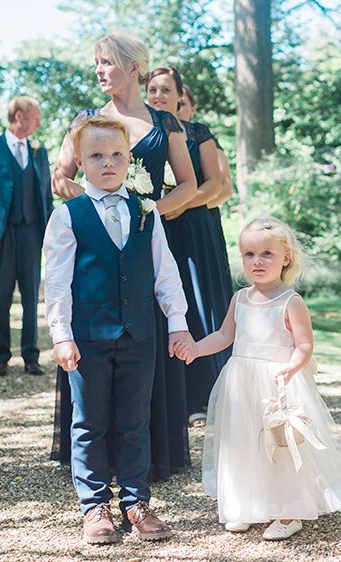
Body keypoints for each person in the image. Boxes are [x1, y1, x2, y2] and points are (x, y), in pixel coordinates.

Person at [50, 32, 197, 481]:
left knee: (143, 350)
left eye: (107, 62)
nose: (99, 70)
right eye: (96, 62)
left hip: (147, 247)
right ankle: (96, 461)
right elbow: (60, 175)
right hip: (97, 249)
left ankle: (146, 459)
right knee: (96, 350)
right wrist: (89, 205)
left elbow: (189, 184)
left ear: (133, 67)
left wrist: (148, 214)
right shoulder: (87, 121)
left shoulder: (164, 122)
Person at [44, 117, 193, 543]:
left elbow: (166, 273)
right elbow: (56, 282)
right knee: (89, 422)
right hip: (88, 337)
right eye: (95, 155)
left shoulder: (146, 210)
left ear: (129, 159)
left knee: (135, 421)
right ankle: (94, 507)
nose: (107, 163)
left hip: (140, 334)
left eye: (116, 155)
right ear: (80, 161)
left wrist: (177, 326)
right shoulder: (67, 216)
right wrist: (62, 334)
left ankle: (136, 502)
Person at [179, 217, 341, 539]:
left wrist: (291, 366)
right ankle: (245, 503)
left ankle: (289, 511)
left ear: (285, 257)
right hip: (241, 382)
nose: (256, 261)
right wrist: (195, 348)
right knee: (242, 442)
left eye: (266, 254)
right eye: (249, 254)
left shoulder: (291, 302)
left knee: (280, 445)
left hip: (277, 384)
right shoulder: (240, 299)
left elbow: (304, 345)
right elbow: (222, 336)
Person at [147, 68, 232, 427]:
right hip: (155, 230)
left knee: (197, 306)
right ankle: (166, 397)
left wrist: (181, 203)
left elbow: (216, 185)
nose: (159, 95)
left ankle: (207, 394)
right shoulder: (145, 132)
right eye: (152, 89)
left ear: (180, 95)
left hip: (194, 229)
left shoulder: (198, 134)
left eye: (166, 89)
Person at [0, 96, 53, 376]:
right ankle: (1, 356)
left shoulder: (39, 151)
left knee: (31, 297)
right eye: (36, 117)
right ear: (19, 117)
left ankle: (31, 356)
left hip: (32, 232)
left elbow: (45, 196)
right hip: (1, 232)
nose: (39, 122)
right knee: (2, 298)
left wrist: (51, 233)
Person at [177, 86, 234, 312]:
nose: (176, 109)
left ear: (192, 108)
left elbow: (225, 187)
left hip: (202, 216)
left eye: (181, 104)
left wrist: (188, 205)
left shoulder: (203, 138)